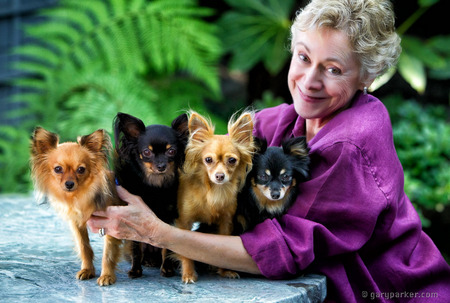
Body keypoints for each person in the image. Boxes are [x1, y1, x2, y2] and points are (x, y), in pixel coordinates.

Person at [88, 0, 450, 301]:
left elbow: (279, 252)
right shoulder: (293, 119)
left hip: (390, 291)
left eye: (334, 69)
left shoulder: (349, 142)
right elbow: (207, 151)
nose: (309, 82)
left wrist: (157, 232)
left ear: (367, 77)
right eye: (304, 57)